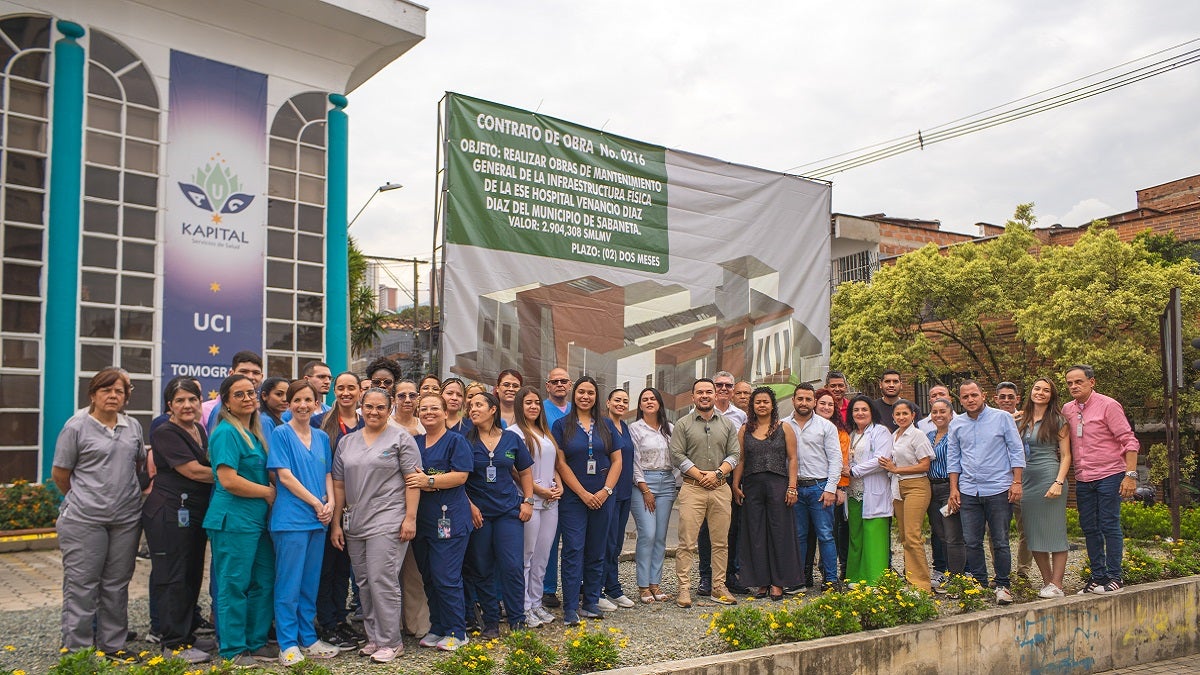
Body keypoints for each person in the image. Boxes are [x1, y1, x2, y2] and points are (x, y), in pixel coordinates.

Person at [52, 368, 146, 662]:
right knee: (82, 583)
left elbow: (137, 465)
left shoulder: (132, 427)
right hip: (84, 518)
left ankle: (113, 644)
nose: (113, 396)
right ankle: (77, 651)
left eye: (119, 391)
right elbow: (61, 474)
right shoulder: (76, 426)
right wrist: (85, 498)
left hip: (126, 518)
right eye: (107, 390)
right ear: (93, 394)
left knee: (117, 584)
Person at [331, 387, 423, 663]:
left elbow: (413, 481)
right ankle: (374, 637)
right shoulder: (348, 443)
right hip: (355, 521)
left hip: (389, 519)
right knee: (364, 582)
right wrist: (336, 523)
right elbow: (338, 484)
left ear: (389, 408)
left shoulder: (401, 439)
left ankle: (391, 641)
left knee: (382, 579)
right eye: (369, 407)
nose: (374, 412)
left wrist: (410, 518)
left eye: (380, 407)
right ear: (361, 407)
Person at [202, 374, 276, 666]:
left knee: (264, 580)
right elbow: (228, 480)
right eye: (239, 394)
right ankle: (233, 649)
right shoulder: (226, 433)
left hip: (255, 521)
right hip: (233, 520)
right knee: (234, 584)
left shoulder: (255, 432)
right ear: (227, 402)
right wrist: (269, 493)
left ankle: (256, 643)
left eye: (251, 393)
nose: (248, 398)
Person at [144, 377, 213, 664]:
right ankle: (172, 643)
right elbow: (193, 471)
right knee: (173, 576)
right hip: (170, 513)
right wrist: (234, 477)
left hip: (193, 513)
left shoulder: (198, 428)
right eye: (180, 400)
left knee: (191, 572)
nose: (187, 405)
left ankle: (187, 634)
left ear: (199, 402)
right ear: (169, 405)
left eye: (192, 399)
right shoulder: (164, 431)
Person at [267, 380, 338, 664]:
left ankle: (308, 638)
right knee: (289, 584)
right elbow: (284, 476)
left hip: (318, 520)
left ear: (316, 403)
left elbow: (328, 475)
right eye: (297, 400)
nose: (303, 405)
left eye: (308, 400)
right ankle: (287, 644)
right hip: (291, 519)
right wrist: (317, 503)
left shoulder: (321, 437)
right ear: (289, 403)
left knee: (309, 583)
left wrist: (331, 503)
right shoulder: (281, 434)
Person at [1062, 365, 1140, 595]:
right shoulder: (1068, 409)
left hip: (1110, 474)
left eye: (1078, 382)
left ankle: (1115, 576)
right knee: (1089, 527)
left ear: (1092, 382)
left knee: (1108, 524)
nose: (1074, 386)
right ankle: (1098, 576)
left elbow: (1129, 441)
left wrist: (1130, 476)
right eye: (1070, 383)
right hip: (1084, 478)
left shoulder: (1108, 405)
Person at [463, 392, 535, 636]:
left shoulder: (512, 439)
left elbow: (524, 472)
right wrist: (469, 506)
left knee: (512, 565)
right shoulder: (465, 440)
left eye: (479, 405)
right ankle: (491, 621)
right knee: (482, 568)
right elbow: (459, 479)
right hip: (479, 514)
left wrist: (528, 501)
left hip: (508, 512)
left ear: (493, 409)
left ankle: (517, 619)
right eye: (471, 405)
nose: (473, 409)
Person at [947, 380, 1024, 605]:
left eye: (974, 395)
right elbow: (954, 458)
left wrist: (1017, 482)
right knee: (971, 540)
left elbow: (1016, 449)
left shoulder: (1002, 418)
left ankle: (1003, 585)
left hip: (999, 488)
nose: (970, 400)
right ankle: (980, 584)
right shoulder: (956, 424)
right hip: (969, 490)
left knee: (999, 540)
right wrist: (954, 488)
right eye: (965, 397)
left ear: (983, 395)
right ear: (960, 400)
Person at [552, 376, 622, 624]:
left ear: (596, 397)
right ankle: (570, 606)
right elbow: (560, 463)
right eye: (581, 392)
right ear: (574, 394)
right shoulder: (562, 425)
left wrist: (606, 491)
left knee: (597, 549)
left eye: (590, 393)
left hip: (603, 498)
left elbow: (617, 461)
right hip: (574, 499)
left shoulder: (606, 425)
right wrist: (582, 493)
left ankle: (590, 601)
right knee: (573, 550)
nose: (585, 396)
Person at [407, 394, 474, 651]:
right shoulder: (414, 442)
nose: (429, 412)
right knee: (430, 577)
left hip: (450, 519)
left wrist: (430, 482)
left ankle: (457, 631)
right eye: (424, 409)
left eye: (435, 408)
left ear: (446, 413)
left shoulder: (456, 441)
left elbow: (460, 476)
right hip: (422, 520)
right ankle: (438, 627)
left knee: (446, 576)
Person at [670, 378, 741, 607]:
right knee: (687, 542)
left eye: (708, 392)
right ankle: (683, 589)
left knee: (720, 542)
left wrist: (718, 474)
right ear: (693, 397)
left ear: (715, 395)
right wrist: (701, 476)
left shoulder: (728, 424)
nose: (705, 395)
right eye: (700, 392)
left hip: (720, 488)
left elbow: (734, 454)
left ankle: (718, 587)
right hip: (693, 488)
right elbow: (677, 455)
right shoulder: (682, 424)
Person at [313, 372, 366, 649]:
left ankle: (341, 619)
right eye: (340, 388)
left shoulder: (366, 424)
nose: (346, 392)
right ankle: (327, 622)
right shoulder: (320, 424)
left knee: (345, 566)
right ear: (334, 390)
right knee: (326, 567)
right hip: (327, 505)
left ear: (360, 391)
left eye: (351, 388)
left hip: (356, 507)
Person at [732, 387, 801, 600]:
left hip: (778, 485)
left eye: (765, 402)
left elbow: (793, 459)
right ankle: (761, 581)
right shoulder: (745, 430)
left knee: (779, 533)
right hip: (752, 486)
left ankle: (778, 582)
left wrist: (792, 487)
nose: (762, 405)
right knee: (756, 533)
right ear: (752, 406)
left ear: (773, 405)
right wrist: (735, 485)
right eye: (758, 402)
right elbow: (741, 459)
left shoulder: (784, 428)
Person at [510, 386, 563, 627]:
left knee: (542, 556)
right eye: (528, 403)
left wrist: (558, 485)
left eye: (536, 403)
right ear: (520, 406)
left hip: (551, 502)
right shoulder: (513, 433)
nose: (533, 407)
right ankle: (522, 608)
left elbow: (554, 464)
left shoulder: (545, 432)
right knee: (526, 556)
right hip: (530, 501)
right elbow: (514, 469)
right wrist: (538, 490)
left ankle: (536, 602)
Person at [781, 383, 841, 590]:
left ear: (814, 402)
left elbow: (836, 460)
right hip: (794, 488)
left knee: (825, 534)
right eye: (800, 399)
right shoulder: (783, 425)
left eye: (808, 399)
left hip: (819, 488)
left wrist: (830, 489)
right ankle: (798, 580)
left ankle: (831, 580)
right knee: (797, 536)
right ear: (793, 400)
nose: (804, 403)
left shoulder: (826, 427)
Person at [1017, 378, 1072, 598]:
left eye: (1046, 390)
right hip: (1027, 481)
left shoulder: (1058, 420)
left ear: (1052, 395)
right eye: (1037, 388)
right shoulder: (1021, 419)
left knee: (1055, 532)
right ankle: (1048, 583)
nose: (1040, 392)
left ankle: (1057, 583)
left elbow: (1066, 456)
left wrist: (1058, 482)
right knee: (1033, 534)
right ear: (1030, 392)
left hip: (1050, 476)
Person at [697, 370, 746, 596]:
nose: (724, 389)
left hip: (732, 478)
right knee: (707, 530)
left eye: (728, 385)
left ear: (733, 390)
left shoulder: (742, 416)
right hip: (705, 479)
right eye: (719, 385)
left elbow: (740, 452)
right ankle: (706, 578)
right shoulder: (700, 412)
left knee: (732, 529)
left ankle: (729, 575)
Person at [879, 399, 934, 591]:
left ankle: (922, 585)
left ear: (913, 415)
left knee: (912, 535)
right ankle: (911, 579)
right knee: (904, 536)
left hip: (916, 486)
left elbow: (925, 464)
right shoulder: (894, 435)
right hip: (898, 487)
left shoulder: (917, 435)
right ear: (893, 417)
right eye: (898, 414)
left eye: (905, 413)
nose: (901, 417)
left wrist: (896, 469)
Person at [629, 388, 676, 603]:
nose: (649, 401)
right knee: (647, 533)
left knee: (659, 537)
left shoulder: (670, 429)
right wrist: (645, 489)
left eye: (653, 398)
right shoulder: (634, 429)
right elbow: (634, 462)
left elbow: (677, 457)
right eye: (644, 399)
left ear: (659, 403)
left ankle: (655, 584)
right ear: (640, 405)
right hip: (642, 483)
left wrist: (674, 481)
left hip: (667, 482)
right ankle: (642, 586)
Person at [845, 395, 893, 585]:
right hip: (853, 492)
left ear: (872, 412)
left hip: (873, 490)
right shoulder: (851, 434)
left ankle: (874, 580)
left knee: (874, 535)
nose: (860, 413)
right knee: (855, 536)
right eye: (856, 410)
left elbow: (881, 459)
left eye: (864, 409)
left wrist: (854, 470)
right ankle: (855, 577)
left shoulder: (881, 432)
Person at [599, 388, 637, 610]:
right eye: (617, 400)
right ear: (608, 402)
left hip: (625, 492)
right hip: (608, 492)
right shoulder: (602, 426)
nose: (621, 404)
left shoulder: (626, 428)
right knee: (606, 541)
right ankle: (598, 588)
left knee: (617, 543)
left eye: (625, 401)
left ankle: (613, 586)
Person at [540, 367, 572, 609]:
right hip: (549, 481)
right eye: (555, 381)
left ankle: (576, 585)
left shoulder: (578, 410)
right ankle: (547, 588)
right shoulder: (540, 409)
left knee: (574, 538)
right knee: (549, 538)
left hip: (578, 481)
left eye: (564, 381)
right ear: (547, 385)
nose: (560, 384)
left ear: (570, 385)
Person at [925, 397, 966, 585]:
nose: (938, 415)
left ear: (951, 414)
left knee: (952, 534)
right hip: (932, 488)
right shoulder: (930, 436)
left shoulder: (956, 434)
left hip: (948, 488)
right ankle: (946, 572)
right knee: (940, 533)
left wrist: (953, 490)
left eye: (943, 411)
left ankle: (958, 577)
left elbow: (958, 463)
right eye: (935, 412)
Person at [995, 381, 1033, 580]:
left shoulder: (1028, 420)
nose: (1007, 400)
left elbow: (1027, 451)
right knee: (997, 532)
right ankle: (1001, 572)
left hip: (1023, 482)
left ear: (1017, 399)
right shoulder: (989, 420)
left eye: (1011, 397)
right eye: (1002, 397)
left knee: (1027, 530)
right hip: (997, 483)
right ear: (996, 399)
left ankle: (1023, 570)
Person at [814, 388, 851, 580]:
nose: (827, 407)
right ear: (815, 404)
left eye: (830, 404)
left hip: (834, 488)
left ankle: (838, 570)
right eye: (823, 403)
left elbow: (842, 461)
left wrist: (839, 487)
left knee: (834, 531)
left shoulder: (841, 431)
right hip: (810, 486)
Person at [202, 351, 264, 430]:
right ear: (231, 373)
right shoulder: (208, 410)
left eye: (256, 373)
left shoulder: (258, 414)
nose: (250, 377)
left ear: (261, 377)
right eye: (244, 371)